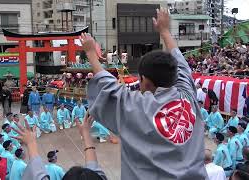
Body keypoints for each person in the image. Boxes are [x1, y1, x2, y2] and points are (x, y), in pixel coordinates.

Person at [80, 8, 207, 179]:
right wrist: (164, 31)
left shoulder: (136, 107)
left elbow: (106, 86)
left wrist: (90, 53)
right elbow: (180, 62)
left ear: (145, 81)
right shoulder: (188, 96)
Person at [12, 113, 107, 180]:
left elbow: (38, 173)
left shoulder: (46, 168)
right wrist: (86, 133)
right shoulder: (58, 169)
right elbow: (95, 170)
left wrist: (31, 143)